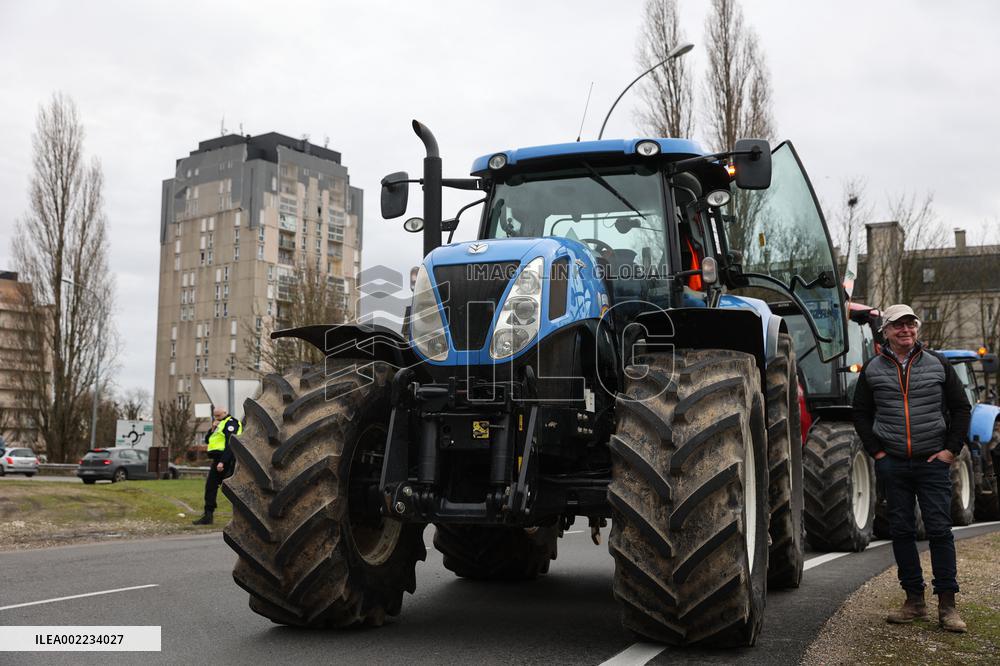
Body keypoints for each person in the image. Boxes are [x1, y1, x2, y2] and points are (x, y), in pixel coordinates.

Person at [851, 304, 971, 632]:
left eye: (911, 325)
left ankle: (947, 606)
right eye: (898, 326)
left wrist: (950, 451)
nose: (906, 330)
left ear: (916, 329)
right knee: (901, 531)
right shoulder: (873, 369)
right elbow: (860, 413)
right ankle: (914, 601)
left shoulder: (938, 364)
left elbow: (962, 408)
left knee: (939, 530)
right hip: (893, 464)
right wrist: (877, 454)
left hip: (932, 462)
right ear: (886, 332)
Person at [193, 406, 242, 525]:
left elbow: (231, 444)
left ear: (225, 412)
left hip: (228, 460)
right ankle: (208, 516)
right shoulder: (219, 423)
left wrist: (223, 462)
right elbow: (208, 440)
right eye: (215, 415)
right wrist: (212, 428)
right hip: (217, 460)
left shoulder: (231, 423)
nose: (216, 418)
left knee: (234, 489)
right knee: (210, 487)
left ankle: (241, 517)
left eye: (219, 415)